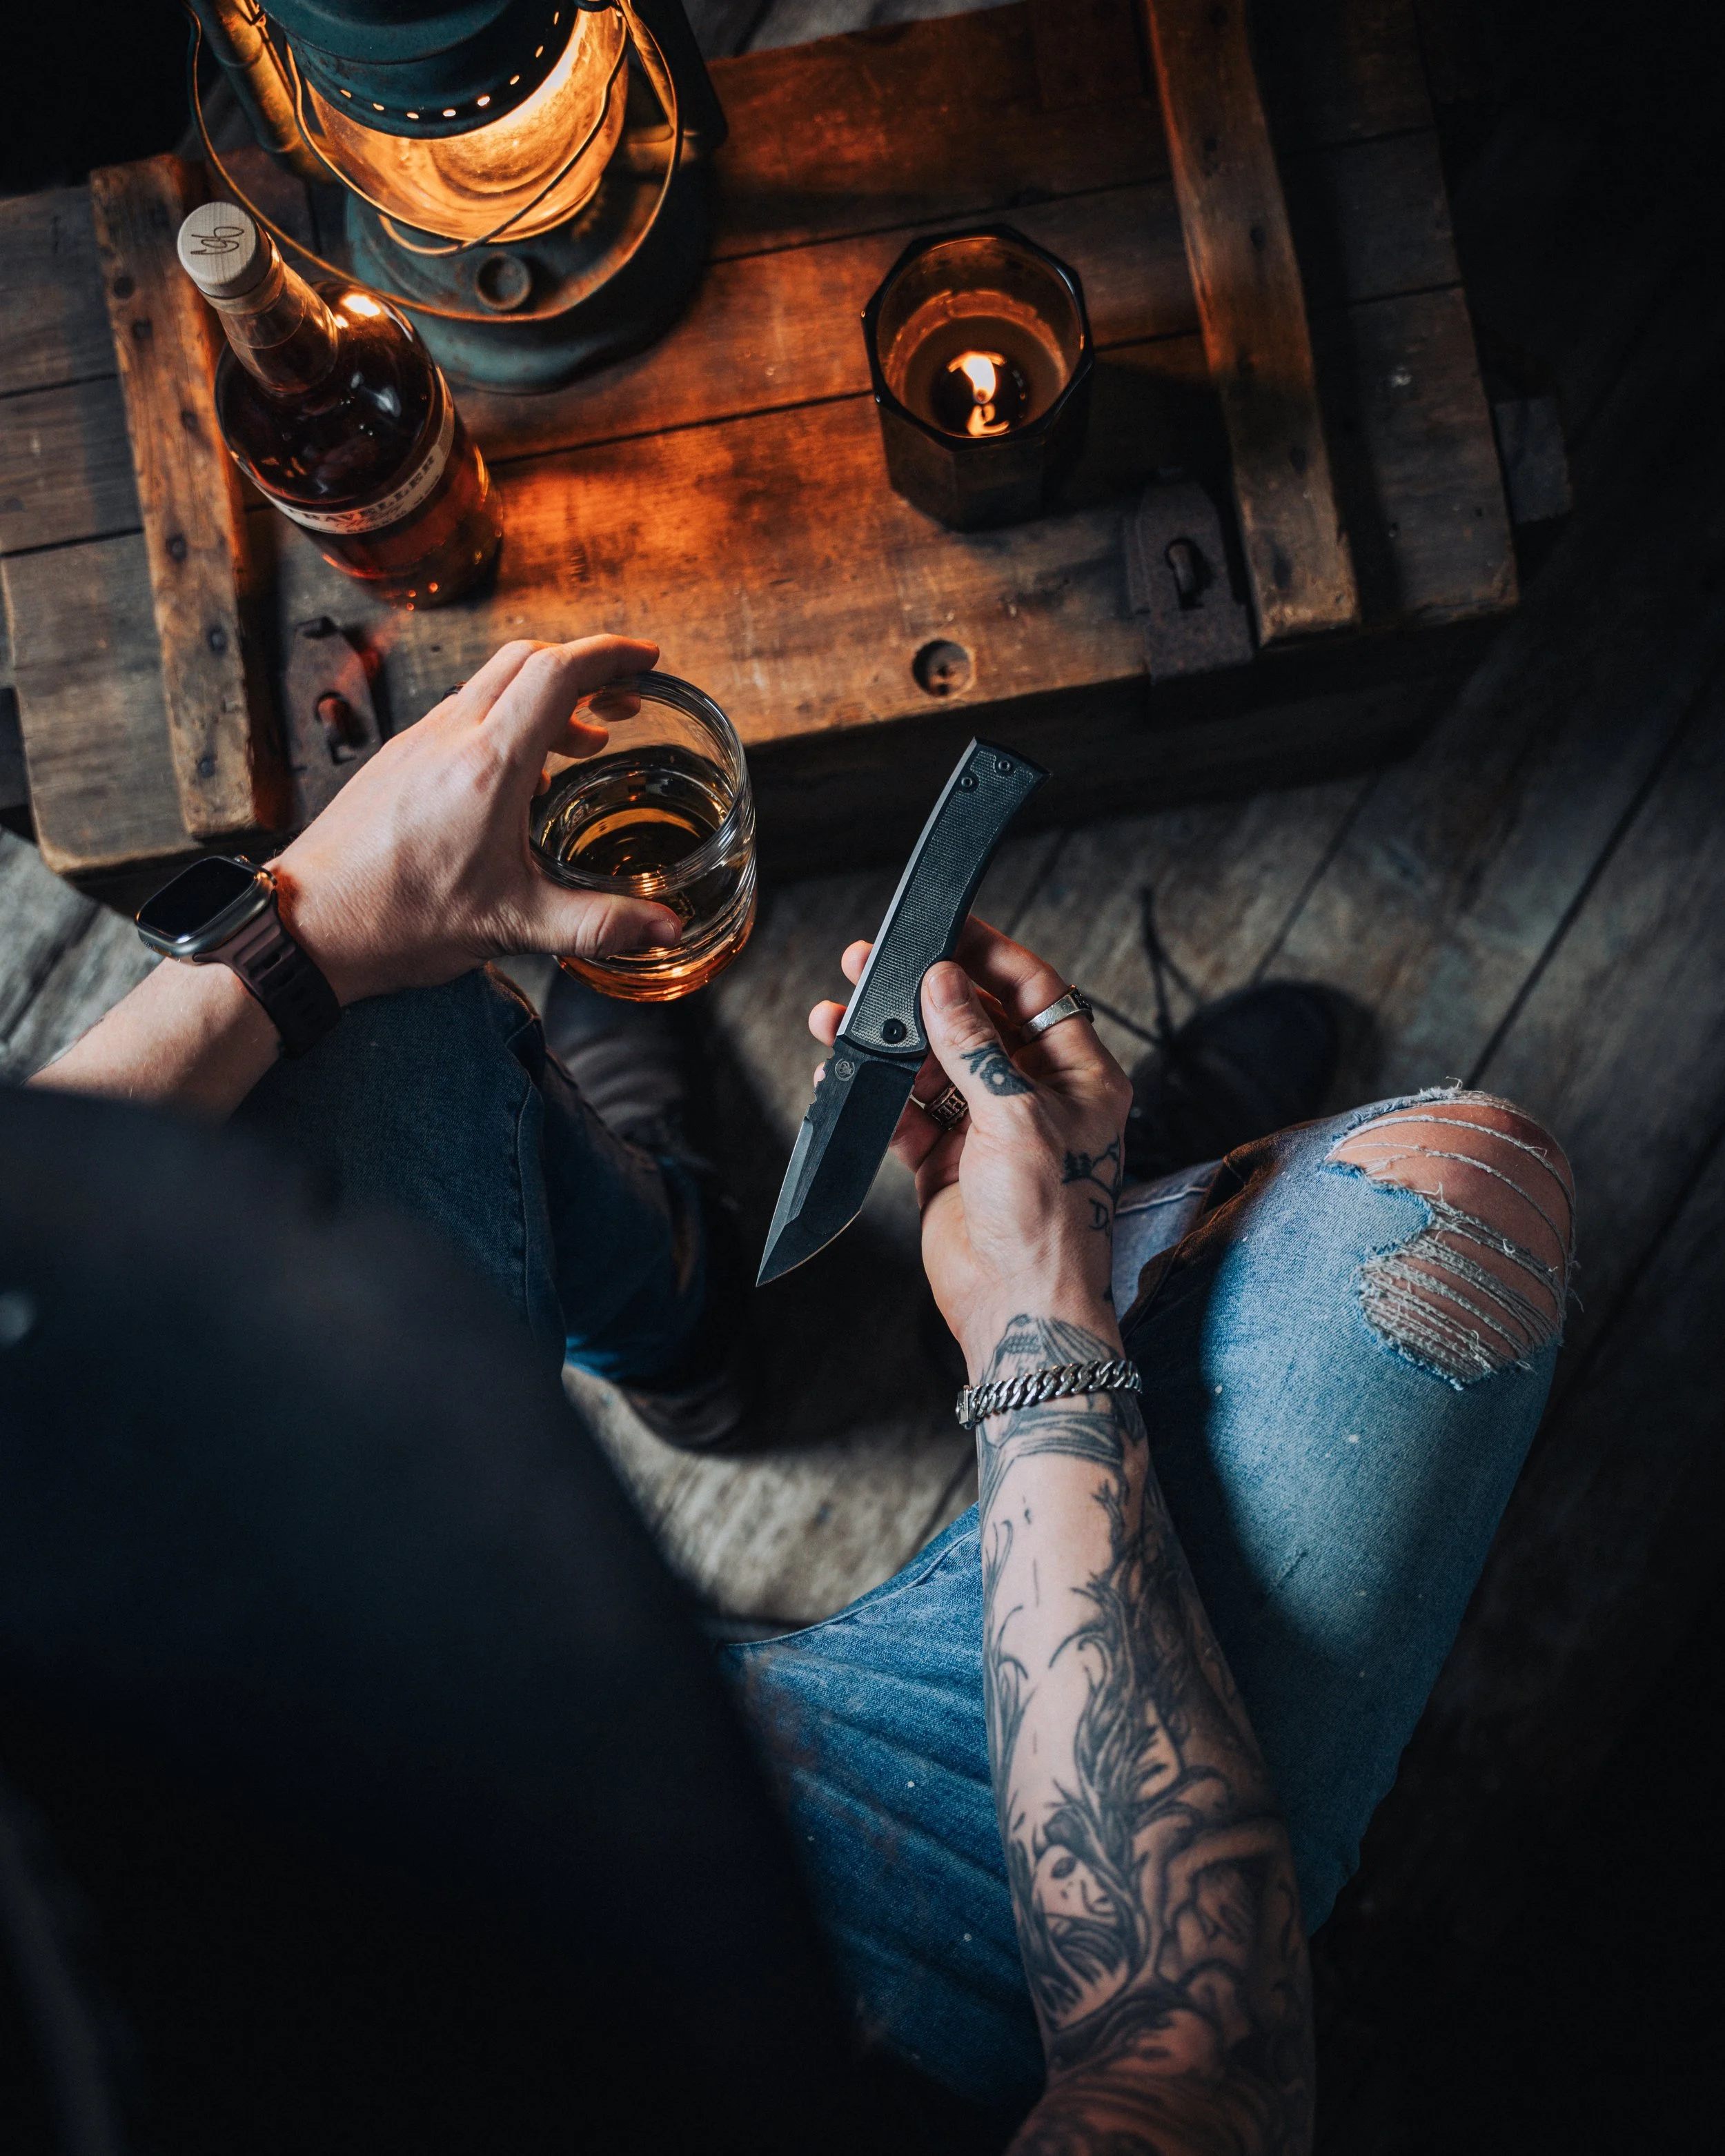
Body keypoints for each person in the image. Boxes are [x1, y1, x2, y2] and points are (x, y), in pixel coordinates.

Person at [3, 637, 1574, 2153]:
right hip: (836, 2000)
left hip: (333, 1751)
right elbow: (1194, 2066)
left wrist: (303, 933)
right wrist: (1039, 1327)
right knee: (1448, 1214)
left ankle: (686, 1317)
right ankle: (1134, 1242)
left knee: (369, 1012)